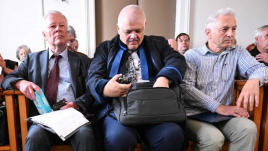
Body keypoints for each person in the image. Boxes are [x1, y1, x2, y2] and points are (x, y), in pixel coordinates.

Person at [87, 5, 187, 151]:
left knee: (172, 135)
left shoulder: (159, 44)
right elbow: (92, 77)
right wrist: (105, 88)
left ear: (144, 25)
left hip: (156, 109)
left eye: (138, 30)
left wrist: (164, 78)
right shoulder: (105, 48)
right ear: (118, 28)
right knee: (118, 139)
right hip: (117, 110)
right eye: (128, 31)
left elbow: (177, 60)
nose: (133, 36)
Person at [1, 11, 96, 151]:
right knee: (34, 137)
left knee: (85, 135)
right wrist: (21, 83)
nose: (58, 29)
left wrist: (76, 105)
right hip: (44, 120)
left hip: (74, 118)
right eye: (52, 26)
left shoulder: (84, 61)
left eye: (62, 25)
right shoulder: (31, 60)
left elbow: (91, 91)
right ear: (44, 35)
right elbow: (7, 79)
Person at [180, 8, 268, 151]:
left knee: (248, 128)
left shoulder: (237, 52)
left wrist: (254, 80)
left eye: (234, 29)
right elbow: (187, 89)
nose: (231, 34)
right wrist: (219, 107)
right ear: (208, 32)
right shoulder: (192, 55)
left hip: (222, 117)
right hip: (193, 115)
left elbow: (262, 69)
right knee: (213, 138)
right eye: (224, 29)